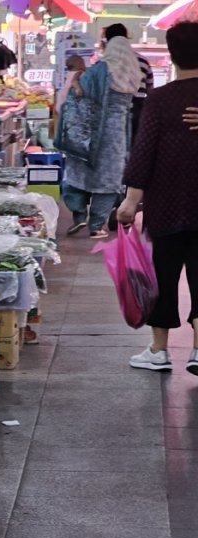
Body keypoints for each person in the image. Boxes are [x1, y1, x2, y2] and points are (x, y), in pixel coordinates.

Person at [117, 21, 198, 374]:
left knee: (162, 276)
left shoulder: (161, 99)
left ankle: (159, 350)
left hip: (166, 205)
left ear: (171, 54)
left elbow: (144, 152)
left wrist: (130, 202)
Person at [62, 31, 142, 238]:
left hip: (91, 128)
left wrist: (77, 82)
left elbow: (78, 93)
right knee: (109, 178)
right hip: (117, 132)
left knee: (79, 170)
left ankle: (79, 216)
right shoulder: (135, 72)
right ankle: (96, 226)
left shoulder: (99, 70)